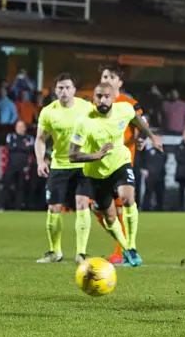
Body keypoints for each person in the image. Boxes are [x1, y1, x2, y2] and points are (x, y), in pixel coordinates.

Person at [69, 83, 162, 267]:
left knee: (128, 199)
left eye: (106, 96)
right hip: (96, 172)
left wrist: (150, 136)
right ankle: (126, 248)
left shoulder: (124, 109)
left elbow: (137, 120)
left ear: (113, 98)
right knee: (110, 217)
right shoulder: (84, 121)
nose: (102, 100)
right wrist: (95, 156)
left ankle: (132, 247)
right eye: (98, 96)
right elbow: (72, 155)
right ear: (93, 98)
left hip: (120, 162)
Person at [35, 73, 94, 264]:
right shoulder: (48, 112)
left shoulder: (86, 108)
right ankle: (55, 252)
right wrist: (40, 160)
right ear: (55, 90)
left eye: (68, 87)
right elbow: (41, 139)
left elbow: (97, 130)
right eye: (60, 88)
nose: (64, 91)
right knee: (54, 208)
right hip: (59, 164)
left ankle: (81, 253)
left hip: (83, 164)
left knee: (82, 204)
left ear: (74, 90)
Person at [95, 64, 148, 265]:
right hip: (97, 165)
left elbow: (141, 126)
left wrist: (140, 139)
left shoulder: (130, 104)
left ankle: (122, 251)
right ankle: (124, 245)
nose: (107, 79)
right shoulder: (96, 104)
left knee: (120, 208)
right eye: (104, 76)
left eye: (111, 77)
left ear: (119, 83)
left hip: (121, 163)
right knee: (97, 209)